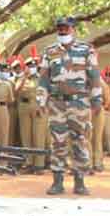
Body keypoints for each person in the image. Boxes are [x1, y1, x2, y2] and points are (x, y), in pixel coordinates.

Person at [39, 16, 103, 195]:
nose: (62, 30)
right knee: (57, 142)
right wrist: (41, 100)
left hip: (79, 103)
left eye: (66, 28)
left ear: (73, 29)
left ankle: (79, 181)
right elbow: (43, 78)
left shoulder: (86, 49)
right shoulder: (49, 51)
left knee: (79, 140)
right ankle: (57, 181)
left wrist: (96, 100)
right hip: (57, 103)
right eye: (59, 28)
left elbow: (94, 76)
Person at [15, 57, 48, 174]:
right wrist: (24, 77)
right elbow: (16, 91)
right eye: (29, 66)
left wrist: (41, 106)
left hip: (39, 107)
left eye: (34, 66)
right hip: (24, 107)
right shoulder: (22, 78)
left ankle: (39, 165)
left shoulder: (42, 78)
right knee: (26, 136)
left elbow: (46, 93)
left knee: (38, 136)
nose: (32, 68)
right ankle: (28, 163)